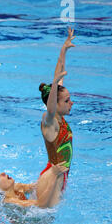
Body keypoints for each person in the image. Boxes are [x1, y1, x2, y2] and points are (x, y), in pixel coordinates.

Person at [39, 27, 75, 194]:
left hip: (60, 178)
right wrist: (54, 84)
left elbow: (59, 74)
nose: (71, 103)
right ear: (55, 103)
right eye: (67, 101)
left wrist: (64, 49)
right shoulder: (50, 121)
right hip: (52, 182)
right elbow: (51, 105)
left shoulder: (59, 118)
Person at [0, 162, 69, 208]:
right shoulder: (11, 202)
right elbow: (41, 204)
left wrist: (49, 169)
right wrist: (53, 177)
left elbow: (34, 186)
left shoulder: (16, 186)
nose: (3, 173)